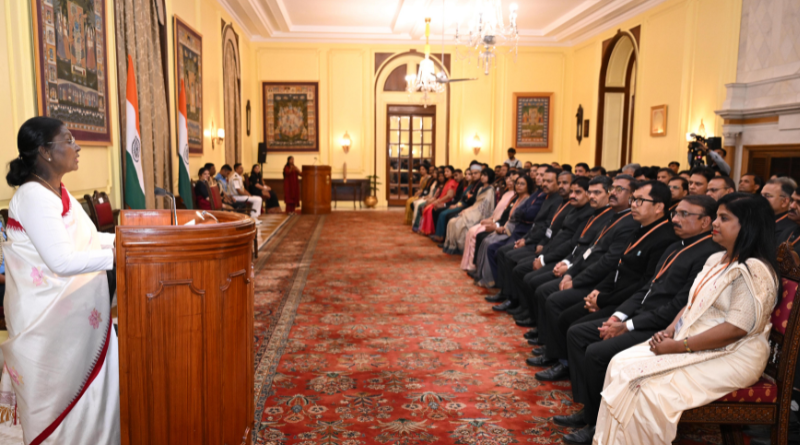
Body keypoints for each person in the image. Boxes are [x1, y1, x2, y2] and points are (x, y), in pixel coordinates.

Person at [593, 193, 778, 445]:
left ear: (748, 225)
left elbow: (736, 328)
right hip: (693, 340)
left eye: (724, 218)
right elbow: (692, 303)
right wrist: (671, 330)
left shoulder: (752, 269)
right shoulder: (716, 259)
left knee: (647, 390)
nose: (715, 223)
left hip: (733, 353)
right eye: (716, 216)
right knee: (619, 364)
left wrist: (680, 346)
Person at [559, 195, 722, 444]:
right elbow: (647, 288)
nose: (675, 219)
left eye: (684, 214)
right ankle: (590, 410)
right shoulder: (676, 246)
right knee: (578, 333)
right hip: (641, 316)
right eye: (676, 213)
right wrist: (618, 316)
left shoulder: (708, 255)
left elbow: (678, 306)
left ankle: (597, 424)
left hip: (662, 327)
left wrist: (628, 325)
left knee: (597, 352)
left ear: (705, 222)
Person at [2, 117, 119, 443]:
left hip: (68, 306)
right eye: (68, 140)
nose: (77, 147)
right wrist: (119, 256)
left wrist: (130, 241)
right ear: (45, 151)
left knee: (92, 386)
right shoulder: (34, 196)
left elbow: (89, 238)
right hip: (46, 315)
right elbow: (61, 261)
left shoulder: (56, 190)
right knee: (62, 399)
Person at [531, 181, 677, 383]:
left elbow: (643, 284)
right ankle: (564, 362)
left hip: (627, 302)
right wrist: (597, 292)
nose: (633, 205)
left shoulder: (664, 238)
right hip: (612, 292)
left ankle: (570, 369)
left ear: (659, 207)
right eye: (633, 200)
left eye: (639, 200)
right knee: (567, 316)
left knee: (574, 325)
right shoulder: (640, 227)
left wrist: (602, 299)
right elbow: (618, 266)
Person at [461, 175, 517, 270]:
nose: (509, 181)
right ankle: (470, 264)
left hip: (500, 224)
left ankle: (475, 266)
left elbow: (505, 216)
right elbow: (497, 210)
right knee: (471, 231)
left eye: (512, 180)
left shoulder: (514, 196)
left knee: (477, 234)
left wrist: (494, 222)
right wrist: (491, 218)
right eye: (507, 179)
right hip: (495, 220)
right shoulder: (506, 193)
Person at [442, 168, 496, 254]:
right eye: (482, 175)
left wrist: (469, 211)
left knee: (460, 224)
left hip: (480, 213)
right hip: (474, 209)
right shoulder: (480, 188)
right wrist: (467, 210)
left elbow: (484, 206)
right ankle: (453, 246)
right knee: (452, 221)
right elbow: (476, 203)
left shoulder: (490, 190)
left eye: (485, 175)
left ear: (490, 177)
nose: (482, 177)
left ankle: (462, 248)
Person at [762, 177, 798, 246]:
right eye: (761, 195)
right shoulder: (763, 218)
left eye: (767, 195)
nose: (761, 199)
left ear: (784, 201)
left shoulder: (788, 227)